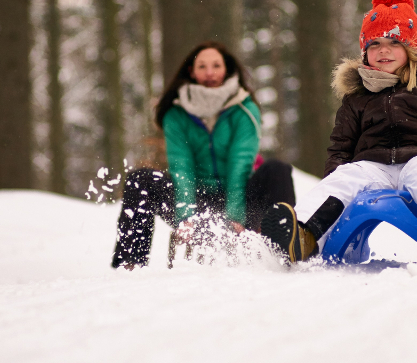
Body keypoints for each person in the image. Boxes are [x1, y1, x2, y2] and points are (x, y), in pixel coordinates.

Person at [260, 0, 417, 263]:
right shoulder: (357, 96)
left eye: (395, 42)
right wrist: (336, 172)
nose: (384, 51)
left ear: (411, 47)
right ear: (364, 51)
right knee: (347, 176)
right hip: (373, 167)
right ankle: (302, 234)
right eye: (375, 44)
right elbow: (341, 146)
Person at [111, 40, 295, 269]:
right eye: (202, 66)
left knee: (278, 170)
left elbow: (240, 166)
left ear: (226, 69)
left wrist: (235, 216)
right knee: (141, 180)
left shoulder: (245, 109)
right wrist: (185, 216)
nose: (210, 72)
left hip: (241, 198)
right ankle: (129, 264)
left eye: (216, 66)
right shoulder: (176, 114)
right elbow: (182, 167)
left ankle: (287, 252)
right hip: (195, 199)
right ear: (191, 71)